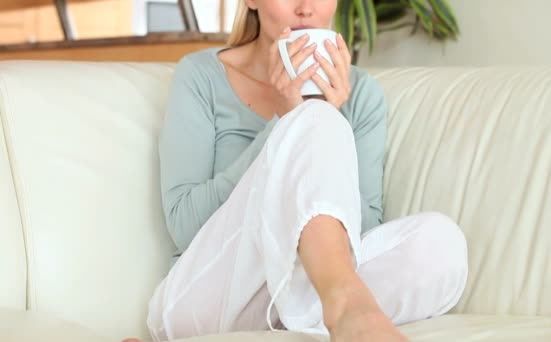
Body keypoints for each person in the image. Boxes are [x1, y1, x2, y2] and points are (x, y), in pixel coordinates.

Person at [123, 0, 469, 341]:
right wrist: (288, 123)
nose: (306, 8)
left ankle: (318, 313)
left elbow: (361, 236)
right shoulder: (201, 76)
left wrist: (319, 127)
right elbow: (185, 226)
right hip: (210, 299)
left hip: (299, 292)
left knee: (443, 245)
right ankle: (345, 306)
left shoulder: (361, 95)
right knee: (316, 119)